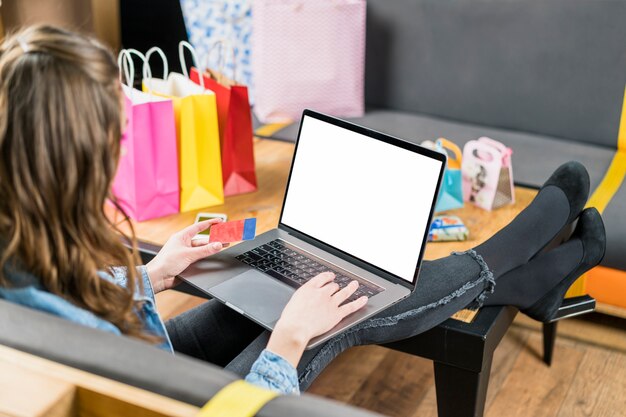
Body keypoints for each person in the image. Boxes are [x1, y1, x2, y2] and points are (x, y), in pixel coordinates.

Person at [0, 26, 606, 395]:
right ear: (70, 163)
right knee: (339, 311)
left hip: (140, 358)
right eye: (116, 133)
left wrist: (150, 276)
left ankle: (528, 280)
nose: (122, 147)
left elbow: (61, 301)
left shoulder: (14, 250)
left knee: (266, 295)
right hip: (167, 394)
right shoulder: (79, 330)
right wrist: (287, 344)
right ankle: (519, 264)